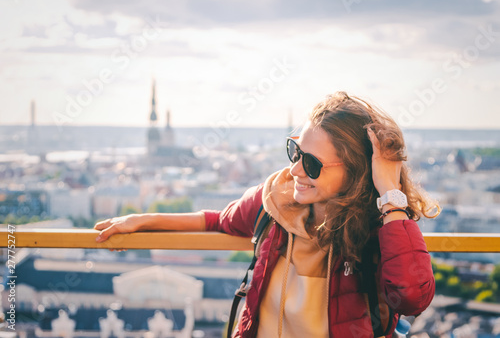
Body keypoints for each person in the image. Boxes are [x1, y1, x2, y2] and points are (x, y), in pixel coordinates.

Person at [95, 92, 439, 338]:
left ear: (355, 171)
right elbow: (218, 221)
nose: (296, 170)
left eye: (313, 163)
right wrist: (142, 220)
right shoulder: (275, 202)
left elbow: (411, 298)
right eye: (296, 152)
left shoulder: (381, 226)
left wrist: (390, 197)